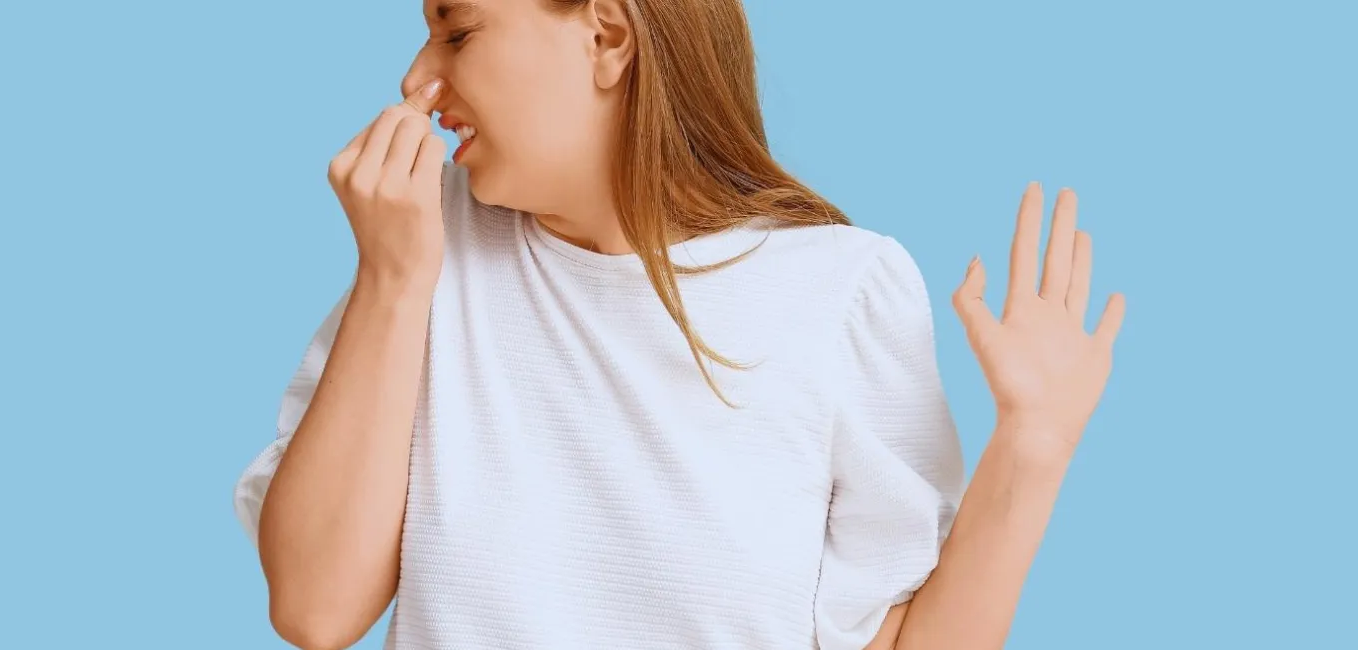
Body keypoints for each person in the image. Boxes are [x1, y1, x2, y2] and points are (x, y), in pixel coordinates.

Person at [233, 1, 1126, 648]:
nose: (417, 79)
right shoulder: (424, 249)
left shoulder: (837, 294)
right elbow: (315, 608)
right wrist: (392, 279)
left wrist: (1034, 445)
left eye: (457, 29)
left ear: (608, 36)